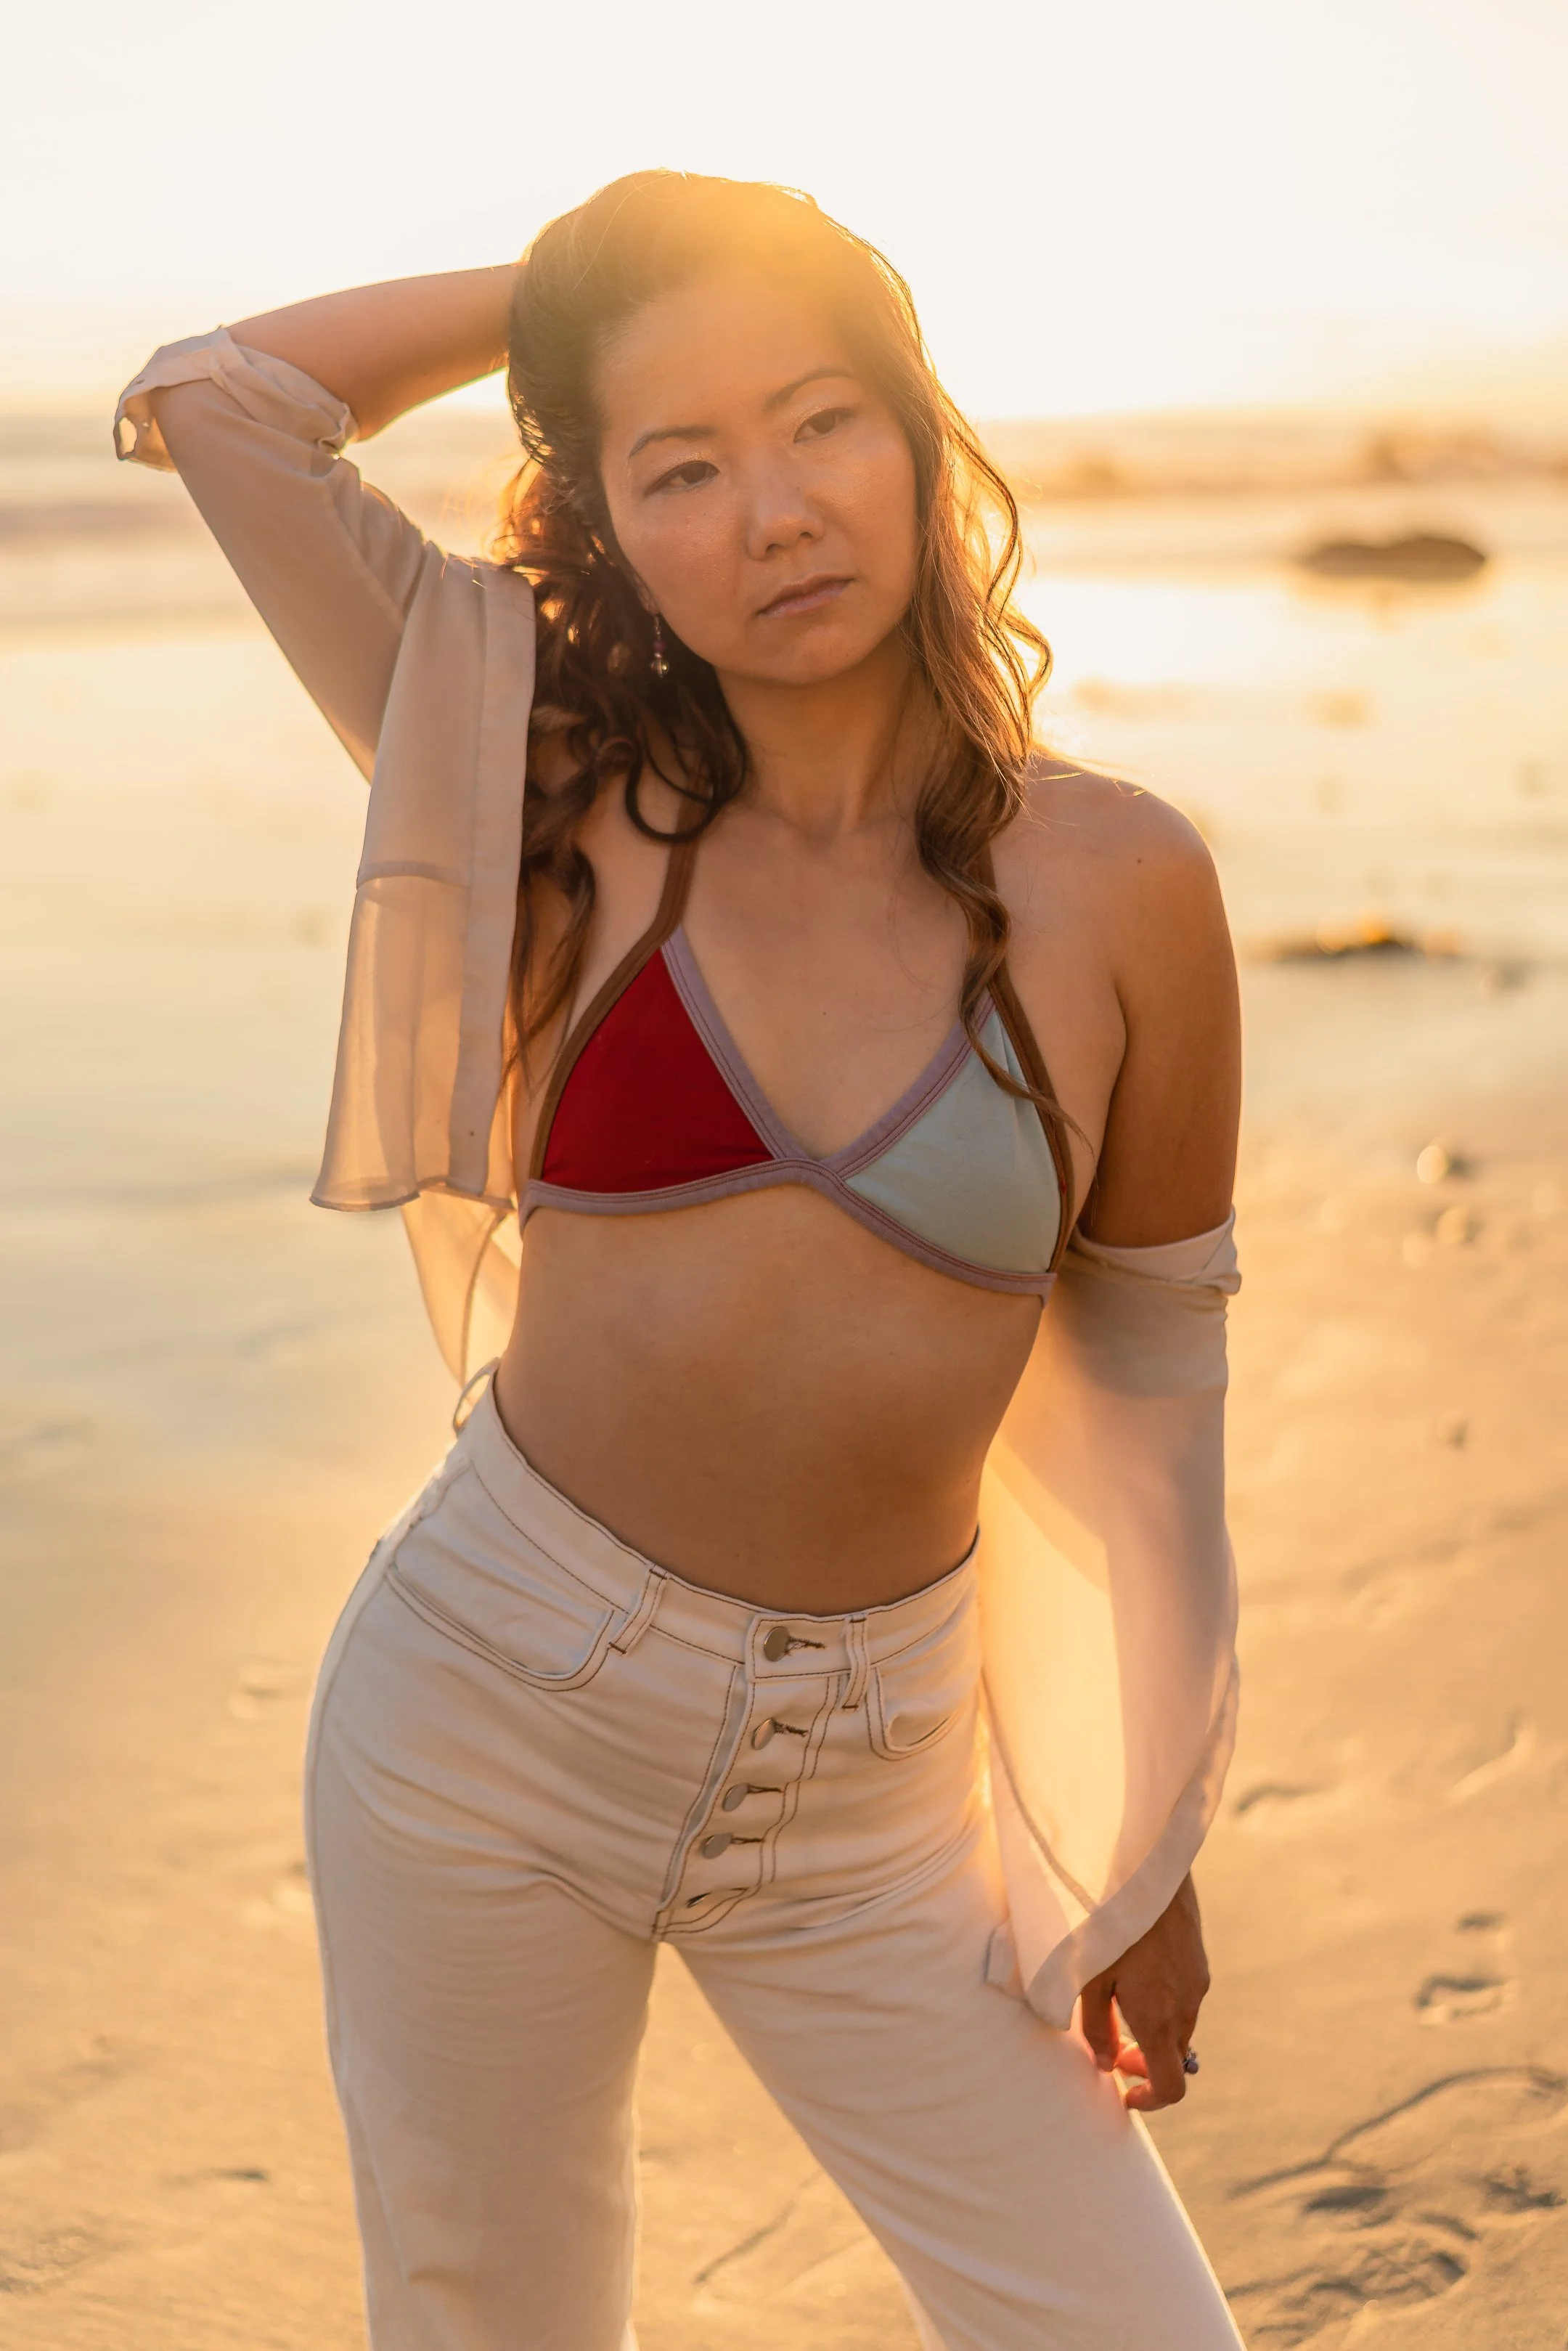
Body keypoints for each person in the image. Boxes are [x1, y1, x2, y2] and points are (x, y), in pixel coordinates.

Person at [115, 172, 1246, 2351]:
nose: (775, 509)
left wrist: (1144, 1820)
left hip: (881, 1799)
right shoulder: (528, 772)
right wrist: (577, 291)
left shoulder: (1126, 884)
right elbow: (220, 403)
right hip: (481, 1722)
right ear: (609, 518)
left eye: (823, 420)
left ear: (920, 438)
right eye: (684, 463)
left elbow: (1152, 1377)